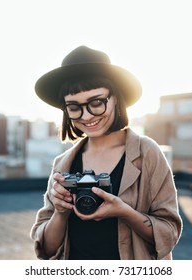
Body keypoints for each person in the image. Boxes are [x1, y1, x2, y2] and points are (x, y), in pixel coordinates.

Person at [30, 46, 182, 260]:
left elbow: (169, 233)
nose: (86, 115)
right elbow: (47, 250)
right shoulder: (63, 164)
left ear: (116, 98)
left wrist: (123, 212)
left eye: (96, 103)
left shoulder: (147, 154)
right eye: (74, 107)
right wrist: (60, 212)